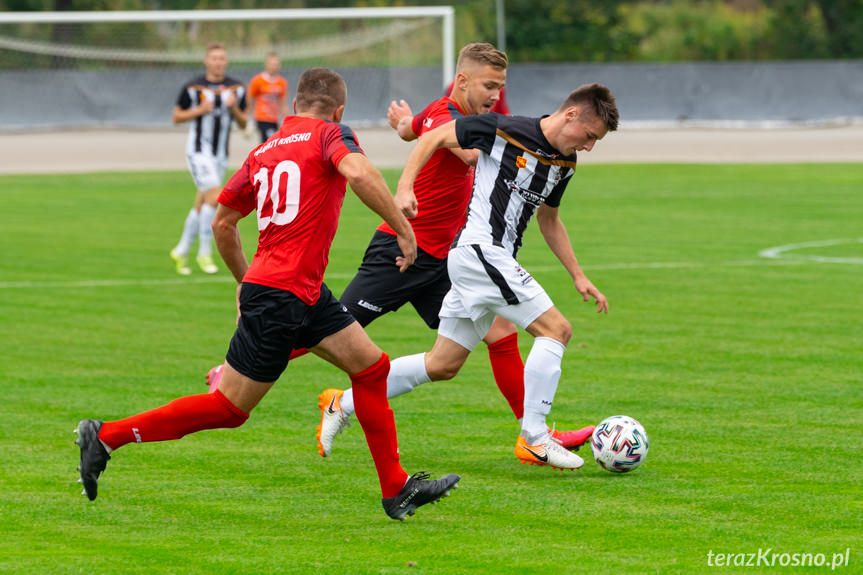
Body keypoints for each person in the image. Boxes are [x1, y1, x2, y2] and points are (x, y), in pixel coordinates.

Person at [74, 68, 460, 521]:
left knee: (372, 369)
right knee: (229, 408)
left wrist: (243, 281)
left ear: (293, 105)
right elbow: (357, 173)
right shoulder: (332, 134)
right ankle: (106, 435)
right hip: (282, 294)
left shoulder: (262, 151)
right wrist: (403, 228)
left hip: (297, 290)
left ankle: (396, 489)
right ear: (338, 109)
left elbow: (223, 222)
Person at [313, 43, 593, 459]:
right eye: (489, 86)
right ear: (461, 81)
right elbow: (466, 150)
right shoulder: (458, 119)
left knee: (464, 354)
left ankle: (530, 433)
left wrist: (404, 121)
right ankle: (235, 370)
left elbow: (413, 129)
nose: (496, 95)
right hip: (402, 250)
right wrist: (507, 139)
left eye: (500, 87)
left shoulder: (447, 113)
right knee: (332, 327)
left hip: (446, 257)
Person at [352, 83, 619, 471]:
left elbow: (550, 219)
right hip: (480, 251)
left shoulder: (566, 163)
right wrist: (404, 186)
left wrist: (578, 276)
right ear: (571, 114)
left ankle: (342, 401)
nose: (589, 146)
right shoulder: (504, 129)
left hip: (483, 261)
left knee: (443, 363)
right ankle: (536, 437)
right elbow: (437, 135)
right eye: (590, 136)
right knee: (556, 330)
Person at [170, 42, 248, 276]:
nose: (218, 62)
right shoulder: (193, 87)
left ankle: (181, 250)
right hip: (198, 151)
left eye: (222, 58)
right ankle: (204, 252)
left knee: (202, 204)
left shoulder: (236, 88)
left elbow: (244, 123)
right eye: (214, 58)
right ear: (206, 61)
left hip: (220, 155)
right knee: (215, 199)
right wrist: (199, 110)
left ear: (226, 61)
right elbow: (176, 117)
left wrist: (234, 109)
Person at [248, 52, 290, 143]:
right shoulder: (258, 80)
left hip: (274, 118)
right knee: (268, 140)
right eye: (271, 64)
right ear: (266, 65)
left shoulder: (281, 82)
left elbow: (283, 103)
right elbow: (250, 100)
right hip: (262, 117)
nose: (273, 67)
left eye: (275, 64)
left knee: (272, 143)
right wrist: (249, 119)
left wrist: (288, 120)